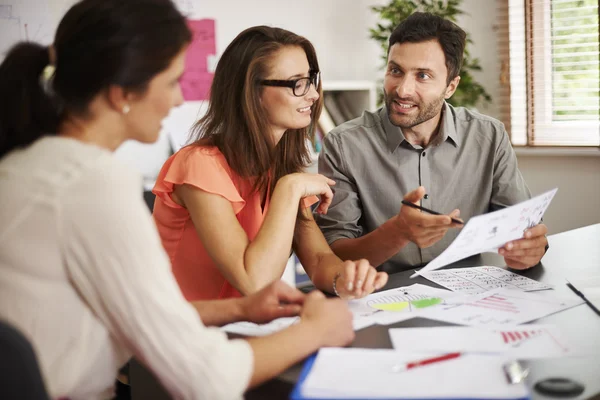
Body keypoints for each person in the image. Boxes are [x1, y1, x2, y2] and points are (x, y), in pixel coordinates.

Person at [0, 1, 354, 399]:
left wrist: (237, 309)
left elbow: (134, 312)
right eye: (172, 83)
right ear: (122, 93)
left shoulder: (32, 164)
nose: (174, 102)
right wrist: (315, 332)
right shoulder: (93, 184)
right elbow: (204, 377)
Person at [152, 25, 388, 301]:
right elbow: (254, 282)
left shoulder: (280, 168)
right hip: (182, 332)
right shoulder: (198, 165)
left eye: (311, 79)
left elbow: (320, 258)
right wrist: (289, 188)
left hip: (241, 326)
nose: (312, 94)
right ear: (252, 93)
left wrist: (345, 279)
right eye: (296, 83)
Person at [315, 12, 548, 272]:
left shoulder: (488, 136)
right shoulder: (344, 145)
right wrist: (397, 233)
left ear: (450, 87)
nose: (402, 90)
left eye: (422, 76)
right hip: (380, 297)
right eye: (395, 70)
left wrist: (532, 248)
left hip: (467, 295)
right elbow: (334, 253)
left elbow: (522, 226)